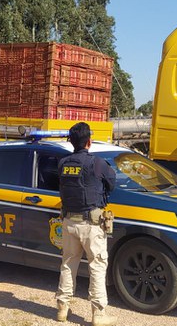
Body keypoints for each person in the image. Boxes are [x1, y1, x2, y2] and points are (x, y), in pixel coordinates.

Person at [55, 122, 116, 326]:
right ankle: (98, 314)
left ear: (71, 142)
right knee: (97, 266)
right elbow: (112, 182)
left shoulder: (63, 163)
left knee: (68, 263)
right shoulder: (97, 163)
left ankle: (62, 308)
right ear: (89, 141)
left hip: (69, 221)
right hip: (92, 224)